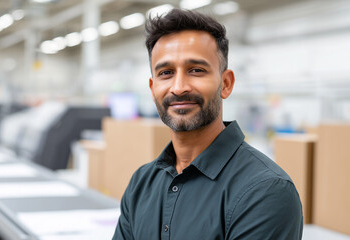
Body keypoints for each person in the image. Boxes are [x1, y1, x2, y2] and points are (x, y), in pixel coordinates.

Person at [112, 8, 303, 240]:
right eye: (166, 72)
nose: (179, 86)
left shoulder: (265, 191)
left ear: (225, 83)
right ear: (152, 89)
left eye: (196, 70)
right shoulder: (141, 183)